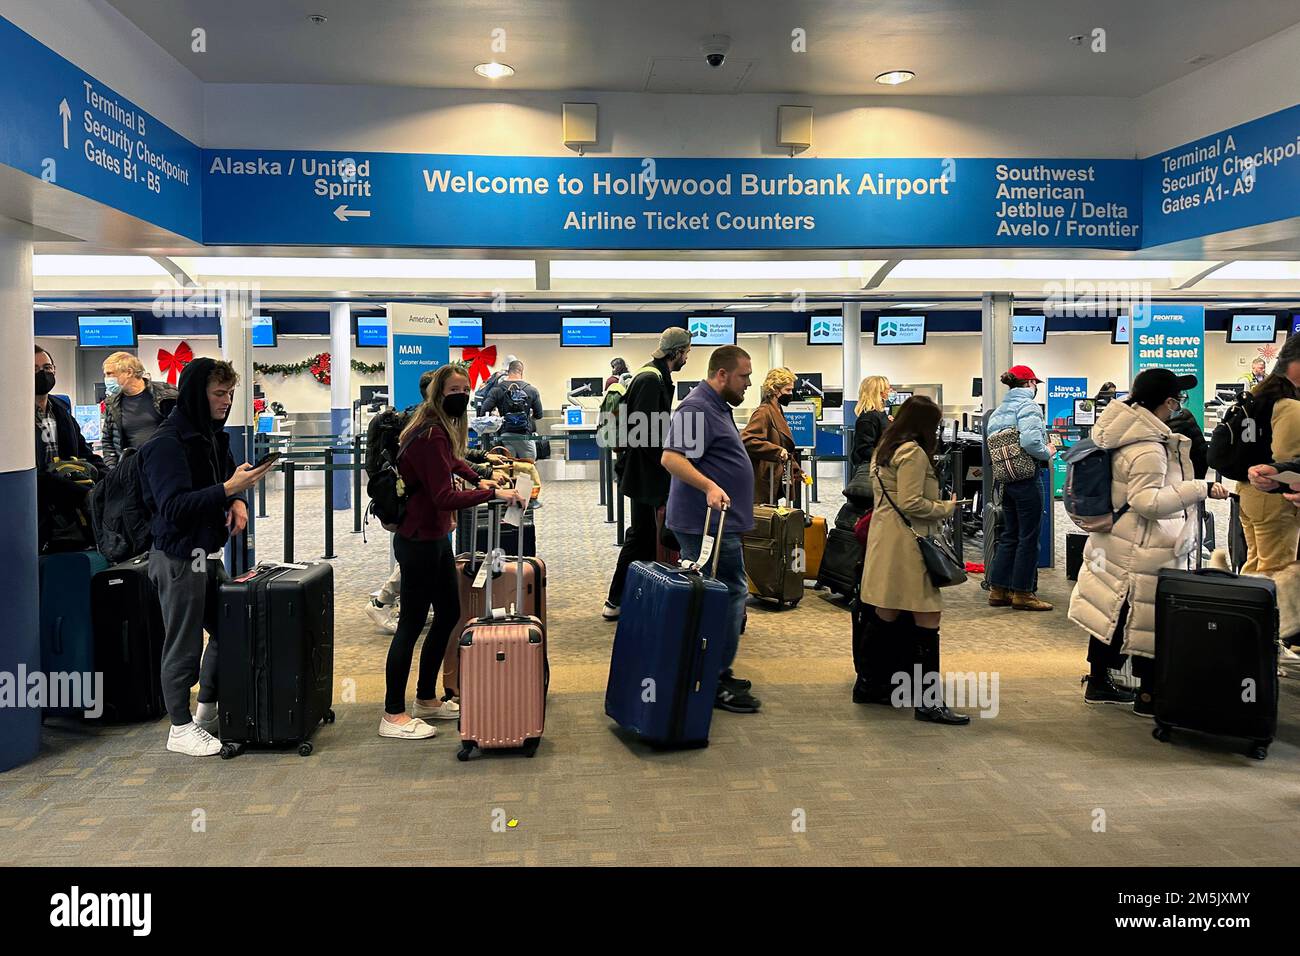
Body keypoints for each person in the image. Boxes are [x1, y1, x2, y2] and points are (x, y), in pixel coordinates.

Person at [1068, 368, 1229, 712]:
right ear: (1167, 402)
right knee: (1146, 618)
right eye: (1178, 400)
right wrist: (1200, 488)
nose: (1179, 406)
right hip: (1143, 545)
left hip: (1118, 539)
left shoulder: (1122, 434)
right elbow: (1149, 502)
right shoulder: (1148, 448)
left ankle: (1100, 682)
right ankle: (1148, 693)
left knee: (1114, 608)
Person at [139, 358, 274, 756]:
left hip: (207, 552)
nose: (227, 401)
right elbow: (174, 507)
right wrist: (228, 489)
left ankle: (205, 711)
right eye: (219, 393)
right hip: (178, 555)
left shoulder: (212, 436)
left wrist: (236, 499)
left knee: (229, 628)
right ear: (198, 394)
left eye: (230, 393)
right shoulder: (165, 443)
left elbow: (223, 481)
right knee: (182, 643)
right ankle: (178, 727)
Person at [381, 363, 523, 740]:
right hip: (418, 540)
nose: (460, 394)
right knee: (412, 623)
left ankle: (426, 698)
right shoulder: (429, 433)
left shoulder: (437, 426)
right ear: (438, 393)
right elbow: (444, 496)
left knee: (448, 614)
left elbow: (453, 461)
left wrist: (481, 475)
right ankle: (393, 713)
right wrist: (493, 493)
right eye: (453, 389)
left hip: (434, 536)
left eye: (465, 388)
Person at [856, 395, 968, 725]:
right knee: (928, 618)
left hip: (884, 540)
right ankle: (928, 701)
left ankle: (869, 684)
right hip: (908, 546)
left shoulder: (885, 449)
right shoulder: (914, 453)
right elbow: (913, 503)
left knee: (885, 613)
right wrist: (947, 507)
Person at [662, 345, 761, 714]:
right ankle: (712, 676)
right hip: (704, 525)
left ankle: (715, 671)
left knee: (724, 594)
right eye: (743, 376)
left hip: (720, 523)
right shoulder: (695, 407)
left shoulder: (716, 406)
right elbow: (671, 458)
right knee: (725, 595)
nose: (748, 384)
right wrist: (708, 486)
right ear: (722, 375)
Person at [602, 328, 691, 620]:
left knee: (647, 535)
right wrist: (670, 465)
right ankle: (616, 599)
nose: (687, 358)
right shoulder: (651, 380)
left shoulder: (652, 375)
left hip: (647, 471)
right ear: (676, 353)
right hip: (646, 473)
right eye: (686, 353)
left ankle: (638, 596)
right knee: (640, 535)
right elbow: (647, 435)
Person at [985, 365, 1055, 612]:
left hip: (1006, 479)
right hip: (1027, 477)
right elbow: (1030, 441)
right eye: (1035, 384)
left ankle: (998, 589)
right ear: (1029, 384)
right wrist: (1048, 451)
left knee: (1009, 535)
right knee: (1029, 536)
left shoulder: (997, 412)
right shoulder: (1029, 407)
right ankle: (1024, 593)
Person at [1234, 334, 1300, 575]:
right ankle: (1271, 613)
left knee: (1255, 562)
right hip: (1273, 496)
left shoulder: (1257, 396)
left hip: (1248, 490)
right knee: (1277, 569)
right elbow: (1287, 457)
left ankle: (1246, 610)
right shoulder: (1290, 405)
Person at [35, 345, 103, 549]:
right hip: (38, 504)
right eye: (35, 369)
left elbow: (83, 451)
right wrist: (76, 491)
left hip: (67, 512)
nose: (43, 373)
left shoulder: (61, 410)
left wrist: (108, 477)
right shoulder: (12, 415)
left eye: (47, 368)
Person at [100, 351, 177, 471]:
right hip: (132, 471)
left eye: (110, 374)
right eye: (105, 375)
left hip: (168, 467)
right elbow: (108, 440)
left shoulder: (167, 395)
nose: (107, 379)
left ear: (129, 372)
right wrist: (114, 470)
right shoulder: (112, 403)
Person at [741, 367, 804, 507]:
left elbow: (783, 444)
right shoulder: (764, 412)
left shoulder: (777, 410)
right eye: (787, 390)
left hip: (772, 479)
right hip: (763, 481)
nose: (791, 394)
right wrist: (776, 451)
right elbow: (747, 440)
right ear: (775, 390)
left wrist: (796, 470)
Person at [481, 359, 544, 461]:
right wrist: (528, 418)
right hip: (524, 435)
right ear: (521, 372)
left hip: (505, 435)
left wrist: (498, 418)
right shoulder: (531, 390)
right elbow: (539, 415)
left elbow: (483, 411)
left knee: (509, 465)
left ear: (508, 371)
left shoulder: (497, 390)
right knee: (528, 467)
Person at [849, 375, 892, 473]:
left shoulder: (880, 414)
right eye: (886, 388)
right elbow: (864, 449)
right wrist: (889, 458)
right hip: (873, 470)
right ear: (879, 392)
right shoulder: (868, 417)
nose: (889, 391)